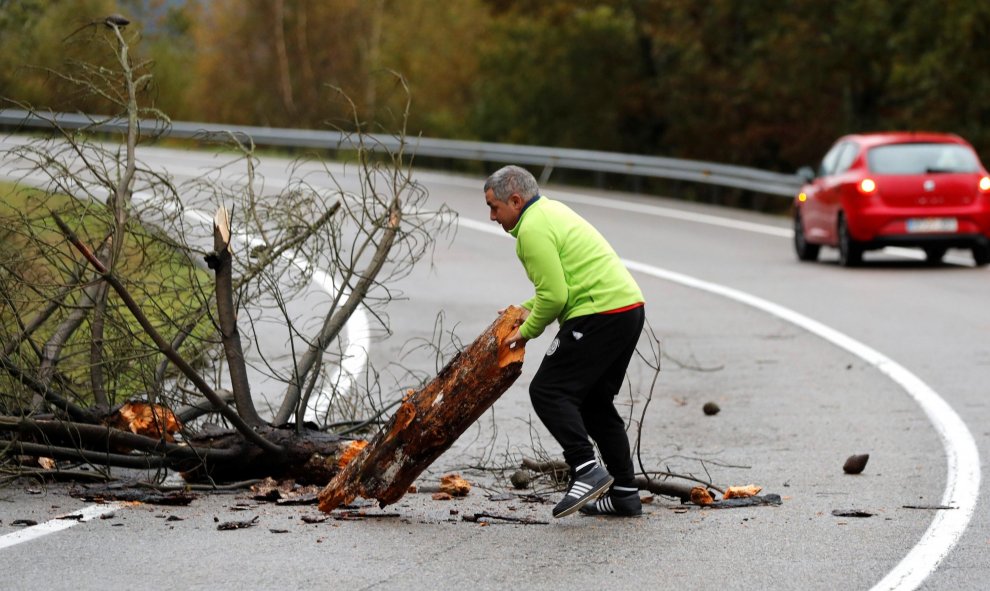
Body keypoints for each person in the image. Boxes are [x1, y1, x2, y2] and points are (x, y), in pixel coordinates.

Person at [484, 165, 646, 518]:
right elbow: (560, 286)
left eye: (495, 207)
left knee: (548, 391)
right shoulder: (550, 211)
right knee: (594, 404)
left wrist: (523, 334)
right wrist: (526, 309)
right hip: (628, 309)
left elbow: (555, 296)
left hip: (600, 312)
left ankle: (586, 469)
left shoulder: (531, 230)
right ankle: (624, 493)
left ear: (515, 200)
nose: (492, 216)